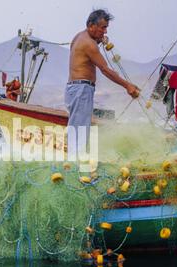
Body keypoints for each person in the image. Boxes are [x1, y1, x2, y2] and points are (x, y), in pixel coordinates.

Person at [66, 9, 140, 157]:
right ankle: (75, 166)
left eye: (106, 27)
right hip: (81, 89)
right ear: (91, 25)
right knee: (79, 134)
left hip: (75, 89)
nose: (105, 32)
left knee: (78, 129)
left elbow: (85, 56)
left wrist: (99, 40)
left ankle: (76, 163)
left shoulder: (79, 37)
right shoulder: (89, 44)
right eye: (102, 27)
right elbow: (105, 69)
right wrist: (127, 86)